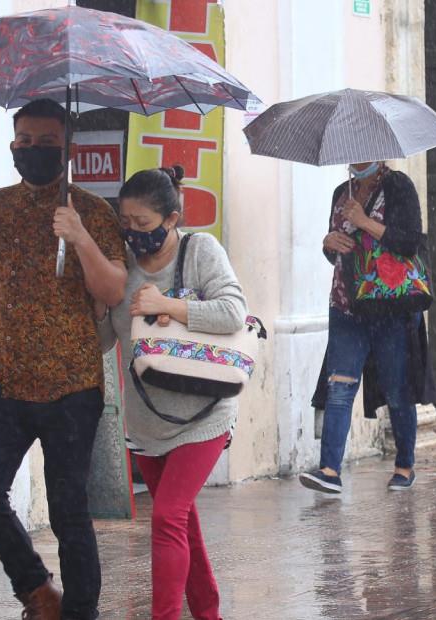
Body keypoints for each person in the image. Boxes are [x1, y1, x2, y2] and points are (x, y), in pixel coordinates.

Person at [0, 99, 127, 620]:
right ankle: (39, 594)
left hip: (72, 386)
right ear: (13, 146)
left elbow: (113, 291)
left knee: (69, 513)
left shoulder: (92, 211)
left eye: (47, 143)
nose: (35, 152)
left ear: (66, 148)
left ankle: (80, 612)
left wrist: (80, 237)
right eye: (27, 142)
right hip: (7, 381)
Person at [98, 166, 245, 620]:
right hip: (145, 420)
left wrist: (169, 305)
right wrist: (97, 294)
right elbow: (105, 340)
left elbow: (233, 312)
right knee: (181, 522)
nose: (135, 233)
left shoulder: (200, 251)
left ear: (173, 218)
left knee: (166, 518)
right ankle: (209, 613)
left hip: (205, 414)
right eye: (127, 223)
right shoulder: (120, 267)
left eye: (144, 224)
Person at [301, 161, 436, 494]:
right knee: (339, 387)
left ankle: (405, 465)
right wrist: (328, 243)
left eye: (364, 152)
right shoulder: (340, 193)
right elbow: (340, 255)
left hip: (389, 305)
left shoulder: (399, 186)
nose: (358, 159)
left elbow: (407, 242)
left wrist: (363, 221)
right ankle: (330, 470)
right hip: (346, 305)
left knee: (396, 391)